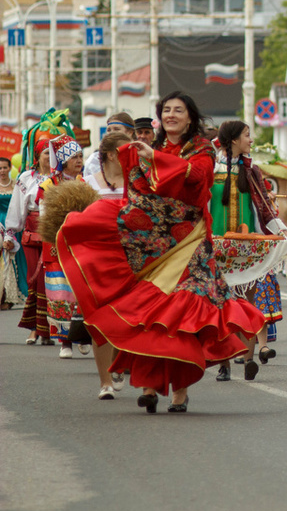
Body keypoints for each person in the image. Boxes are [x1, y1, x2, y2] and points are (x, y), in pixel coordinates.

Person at [57, 92, 266, 413]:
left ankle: (179, 391)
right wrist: (140, 164)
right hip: (154, 243)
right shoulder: (151, 148)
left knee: (181, 315)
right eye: (166, 110)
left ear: (189, 117)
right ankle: (151, 385)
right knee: (150, 314)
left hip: (190, 244)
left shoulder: (200, 150)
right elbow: (138, 187)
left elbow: (197, 177)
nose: (171, 115)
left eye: (177, 110)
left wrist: (152, 159)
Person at [211, 121, 287, 380]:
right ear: (233, 139)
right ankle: (224, 362)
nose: (251, 140)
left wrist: (279, 228)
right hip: (219, 245)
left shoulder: (252, 170)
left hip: (248, 245)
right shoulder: (211, 169)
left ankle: (248, 359)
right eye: (247, 135)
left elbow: (264, 206)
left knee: (249, 302)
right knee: (221, 304)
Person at [83, 131, 131, 399]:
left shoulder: (138, 185)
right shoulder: (88, 184)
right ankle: (105, 383)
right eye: (127, 150)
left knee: (127, 318)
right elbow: (75, 222)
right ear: (112, 154)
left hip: (129, 262)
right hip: (97, 261)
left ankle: (120, 363)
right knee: (99, 320)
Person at [42, 135, 86, 358]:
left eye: (80, 156)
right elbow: (44, 216)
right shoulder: (49, 185)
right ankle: (64, 341)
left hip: (81, 245)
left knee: (82, 291)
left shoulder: (86, 183)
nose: (79, 160)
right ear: (63, 159)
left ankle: (82, 334)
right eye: (74, 156)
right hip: (55, 244)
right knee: (60, 293)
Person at [7, 138, 53, 344]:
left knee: (49, 282)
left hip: (53, 235)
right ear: (38, 156)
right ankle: (35, 329)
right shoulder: (26, 178)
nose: (49, 157)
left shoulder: (61, 178)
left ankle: (47, 331)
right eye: (46, 153)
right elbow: (17, 207)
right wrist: (10, 232)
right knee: (33, 280)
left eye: (52, 153)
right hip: (31, 235)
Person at [0, 153, 25, 312]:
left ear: (10, 168)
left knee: (17, 262)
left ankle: (11, 296)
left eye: (4, 167)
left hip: (14, 226)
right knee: (3, 263)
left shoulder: (16, 185)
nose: (1, 170)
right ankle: (3, 295)